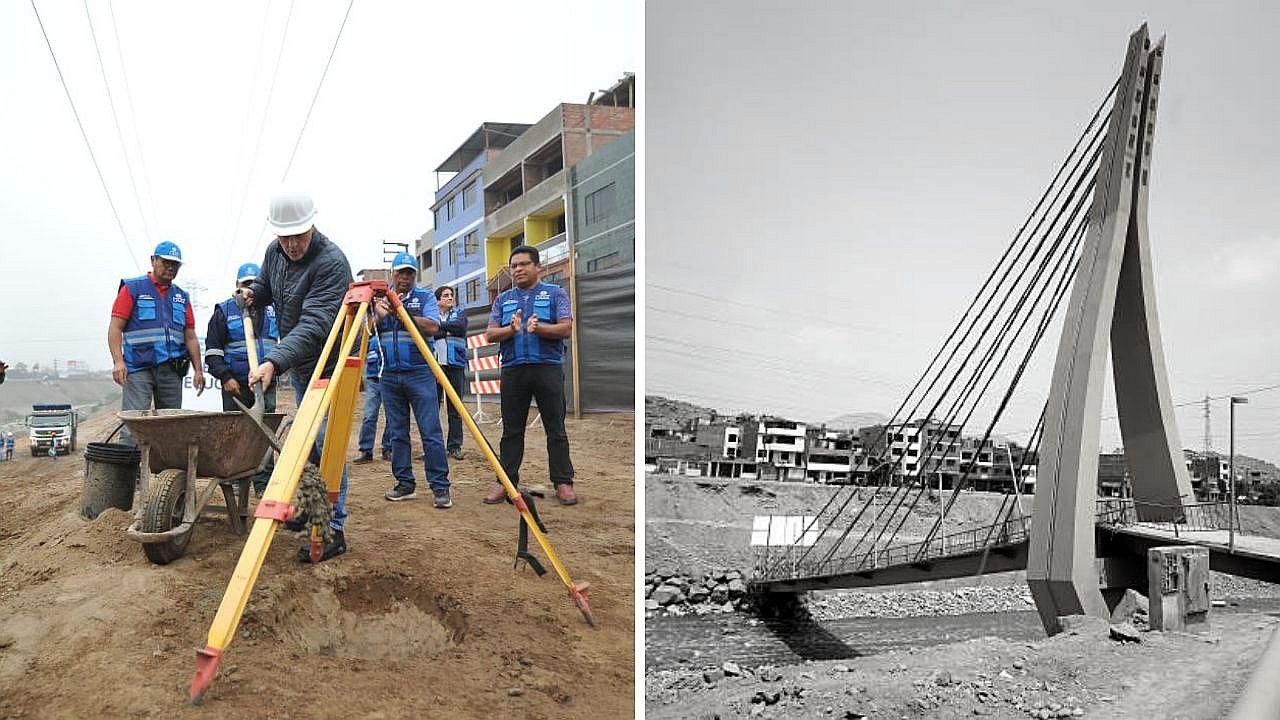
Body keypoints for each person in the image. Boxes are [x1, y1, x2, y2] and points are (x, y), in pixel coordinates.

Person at [242, 190, 354, 562]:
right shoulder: (275, 253)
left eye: (298, 236)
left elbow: (315, 325)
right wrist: (253, 295)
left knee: (327, 442)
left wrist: (273, 361)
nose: (291, 245)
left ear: (312, 226)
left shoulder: (332, 263)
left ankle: (334, 529)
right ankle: (309, 507)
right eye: (284, 237)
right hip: (304, 365)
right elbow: (267, 286)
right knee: (309, 443)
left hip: (333, 362)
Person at [484, 245, 577, 506]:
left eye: (524, 264)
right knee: (511, 431)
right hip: (513, 369)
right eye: (514, 266)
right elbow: (491, 333)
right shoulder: (503, 300)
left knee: (555, 428)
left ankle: (563, 482)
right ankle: (506, 482)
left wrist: (541, 329)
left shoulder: (555, 293)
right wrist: (511, 330)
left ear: (538, 267)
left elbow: (566, 328)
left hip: (547, 367)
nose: (518, 269)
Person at [108, 242, 206, 444]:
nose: (171, 268)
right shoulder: (132, 289)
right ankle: (129, 474)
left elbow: (190, 337)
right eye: (166, 262)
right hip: (138, 369)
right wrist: (118, 361)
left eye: (175, 265)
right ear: (153, 260)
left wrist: (198, 370)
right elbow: (115, 328)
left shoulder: (181, 297)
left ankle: (168, 475)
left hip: (171, 370)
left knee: (172, 426)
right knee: (134, 426)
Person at [375, 253, 452, 508]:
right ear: (392, 274)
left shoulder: (426, 297)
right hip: (389, 375)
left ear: (415, 275)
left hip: (420, 373)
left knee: (430, 431)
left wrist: (400, 312)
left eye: (410, 273)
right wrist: (378, 314)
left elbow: (432, 326)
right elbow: (366, 329)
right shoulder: (379, 300)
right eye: (400, 272)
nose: (405, 277)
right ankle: (404, 483)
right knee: (397, 433)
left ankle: (440, 486)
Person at [205, 262, 279, 494]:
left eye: (253, 285)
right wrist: (226, 377)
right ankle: (236, 480)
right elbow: (213, 352)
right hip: (235, 386)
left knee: (263, 432)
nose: (249, 290)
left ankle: (263, 483)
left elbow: (284, 344)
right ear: (236, 286)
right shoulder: (224, 311)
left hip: (265, 384)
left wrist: (275, 369)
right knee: (234, 433)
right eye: (244, 285)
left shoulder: (272, 310)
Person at [432, 285, 468, 460]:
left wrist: (440, 328)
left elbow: (460, 327)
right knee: (432, 408)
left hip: (455, 364)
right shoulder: (431, 314)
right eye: (445, 295)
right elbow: (429, 332)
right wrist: (444, 329)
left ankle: (454, 446)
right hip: (435, 366)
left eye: (451, 295)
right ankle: (434, 446)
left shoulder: (460, 312)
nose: (450, 298)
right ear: (438, 299)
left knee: (455, 407)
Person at [353, 332, 391, 463]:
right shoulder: (367, 336)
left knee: (391, 416)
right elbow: (361, 356)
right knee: (369, 415)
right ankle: (366, 450)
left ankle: (388, 448)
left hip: (388, 378)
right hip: (373, 379)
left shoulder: (389, 334)